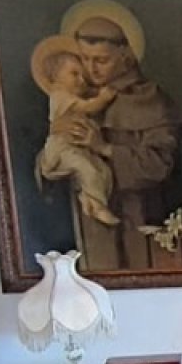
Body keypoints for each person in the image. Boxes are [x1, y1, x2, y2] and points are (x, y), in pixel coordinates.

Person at [42, 2, 182, 271]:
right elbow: (50, 167)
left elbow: (159, 165)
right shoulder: (75, 101)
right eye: (84, 60)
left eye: (101, 60)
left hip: (137, 217)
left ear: (126, 56)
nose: (91, 69)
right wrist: (55, 146)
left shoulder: (152, 100)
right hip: (90, 225)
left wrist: (103, 147)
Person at [31, 36, 120, 227]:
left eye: (82, 76)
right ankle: (98, 207)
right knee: (87, 169)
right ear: (55, 80)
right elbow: (88, 107)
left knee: (103, 172)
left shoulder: (68, 96)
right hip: (61, 151)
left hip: (76, 149)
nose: (81, 80)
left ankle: (89, 200)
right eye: (74, 74)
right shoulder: (59, 96)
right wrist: (104, 98)